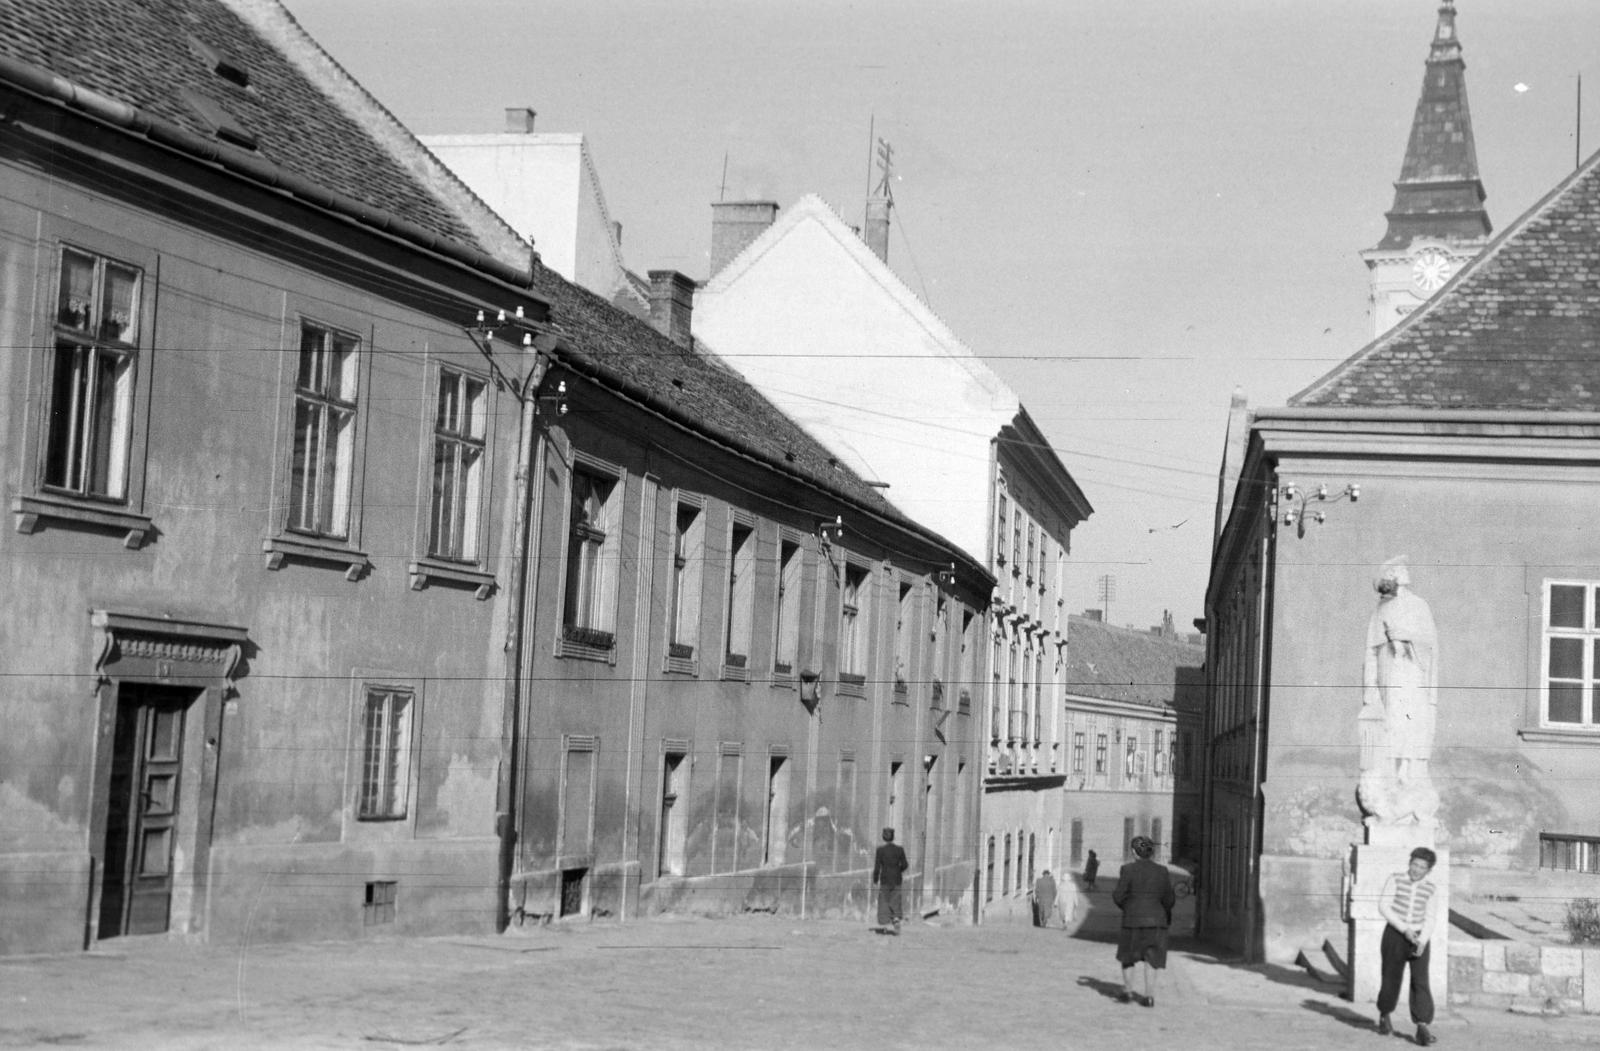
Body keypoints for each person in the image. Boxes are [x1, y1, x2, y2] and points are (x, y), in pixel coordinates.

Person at [1358, 559, 1440, 828]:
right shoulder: (1381, 610)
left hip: (1413, 674)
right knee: (1390, 725)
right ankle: (1391, 779)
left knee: (1412, 724)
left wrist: (1406, 636)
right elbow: (1371, 651)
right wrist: (1370, 689)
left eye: (1403, 569)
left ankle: (1409, 774)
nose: (1402, 572)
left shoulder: (1419, 606)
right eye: (1396, 570)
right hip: (1388, 677)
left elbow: (1430, 645)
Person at [1377, 846, 1441, 1046]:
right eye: (1414, 864)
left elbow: (1430, 918)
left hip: (1419, 937)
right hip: (1395, 935)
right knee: (1391, 977)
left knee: (1420, 980)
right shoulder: (1395, 879)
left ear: (1428, 870)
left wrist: (1422, 941)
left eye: (1422, 867)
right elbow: (1384, 906)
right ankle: (1385, 1014)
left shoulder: (1431, 889)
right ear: (1409, 863)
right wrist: (1404, 929)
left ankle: (1422, 1025)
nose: (1416, 870)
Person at [1111, 836, 1175, 1007]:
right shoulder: (1162, 871)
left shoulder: (1127, 869)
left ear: (1134, 852)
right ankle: (1149, 996)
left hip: (1132, 921)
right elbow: (1169, 899)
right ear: (1151, 852)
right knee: (1152, 959)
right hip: (1156, 922)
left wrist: (1130, 907)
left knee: (1128, 957)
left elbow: (1118, 896)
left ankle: (1128, 992)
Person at [872, 827, 908, 934]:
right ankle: (896, 918)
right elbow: (905, 865)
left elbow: (877, 867)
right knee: (895, 900)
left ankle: (885, 922)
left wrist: (875, 879)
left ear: (883, 837)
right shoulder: (900, 850)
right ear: (893, 836)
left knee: (884, 901)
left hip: (885, 879)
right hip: (897, 879)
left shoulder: (880, 850)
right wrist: (898, 870)